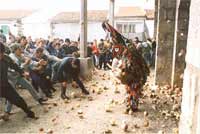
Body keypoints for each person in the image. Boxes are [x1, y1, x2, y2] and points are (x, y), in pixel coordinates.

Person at [0, 42, 35, 119]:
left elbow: (15, 66)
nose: (0, 56)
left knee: (18, 99)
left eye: (1, 53)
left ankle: (28, 112)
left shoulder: (6, 58)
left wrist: (22, 72)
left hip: (5, 85)